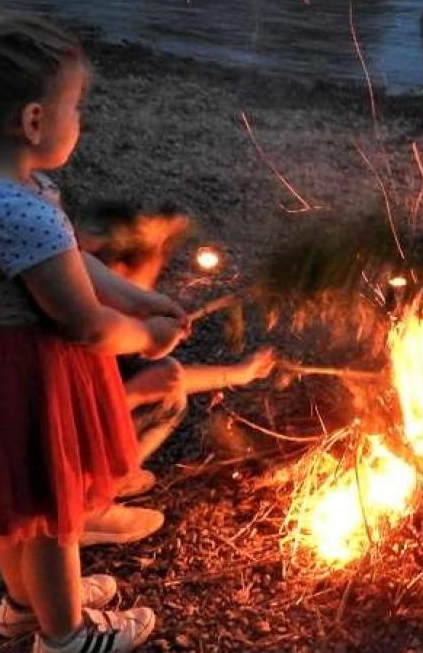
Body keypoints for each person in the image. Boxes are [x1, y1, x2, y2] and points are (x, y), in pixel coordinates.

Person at [0, 9, 184, 653]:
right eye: (75, 107)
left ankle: (25, 601)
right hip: (28, 376)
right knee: (53, 511)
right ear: (34, 121)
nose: (78, 120)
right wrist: (145, 335)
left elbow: (59, 259)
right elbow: (83, 324)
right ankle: (63, 635)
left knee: (12, 503)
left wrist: (136, 294)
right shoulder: (17, 208)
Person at [77, 200, 277, 474]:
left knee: (166, 380)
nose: (148, 293)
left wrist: (241, 373)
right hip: (39, 459)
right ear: (114, 273)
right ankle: (96, 494)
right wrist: (134, 394)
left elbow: (170, 378)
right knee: (169, 401)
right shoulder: (77, 331)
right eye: (143, 284)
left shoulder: (92, 304)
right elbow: (60, 425)